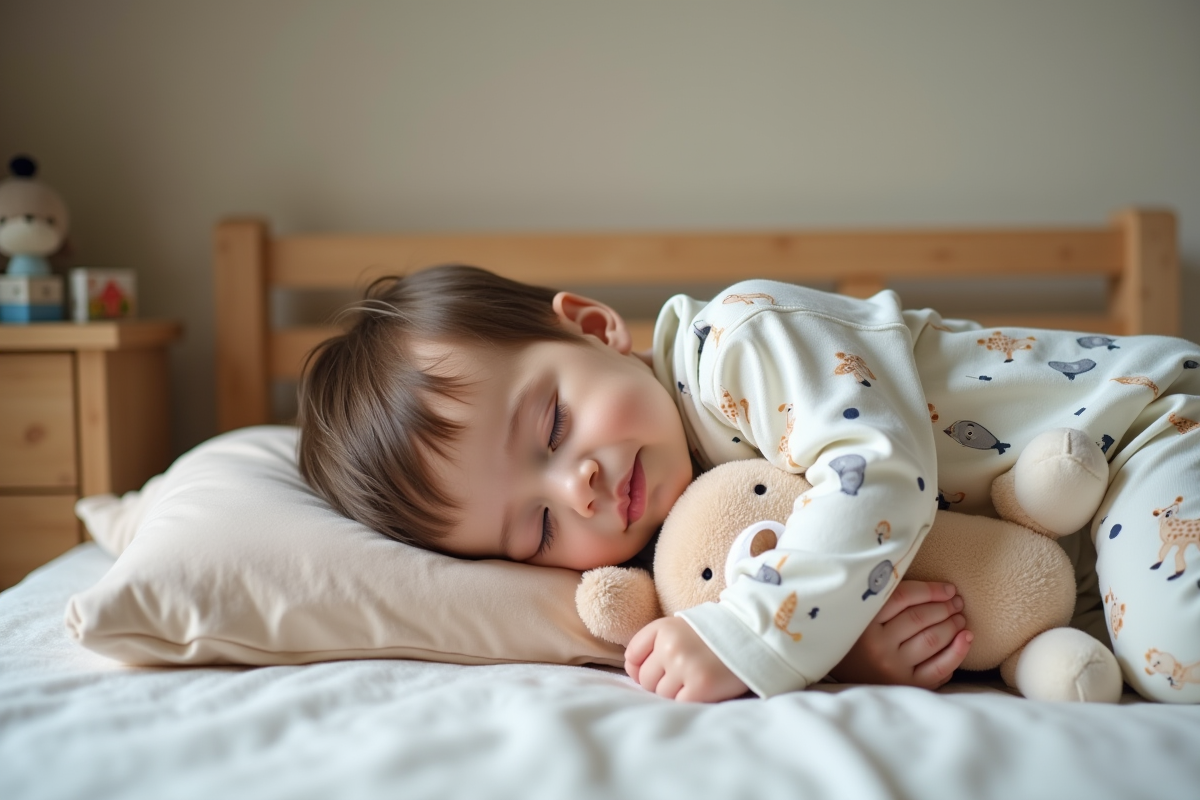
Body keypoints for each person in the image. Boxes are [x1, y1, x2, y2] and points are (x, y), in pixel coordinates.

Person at [298, 265, 1200, 704]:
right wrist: (857, 653)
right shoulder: (690, 534)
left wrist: (752, 640)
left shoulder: (740, 343)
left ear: (591, 327)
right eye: (535, 529)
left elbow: (878, 474)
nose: (575, 490)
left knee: (1179, 644)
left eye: (551, 426)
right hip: (1067, 565)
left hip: (1136, 434)